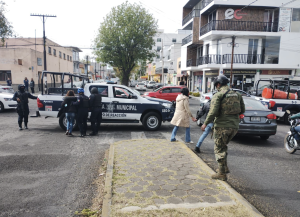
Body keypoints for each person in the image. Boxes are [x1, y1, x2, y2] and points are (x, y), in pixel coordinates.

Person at [201, 75, 245, 181]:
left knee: (218, 149)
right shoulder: (237, 94)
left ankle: (221, 173)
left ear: (218, 84)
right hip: (234, 127)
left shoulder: (218, 95)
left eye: (216, 85)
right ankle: (223, 169)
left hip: (222, 126)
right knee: (223, 147)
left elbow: (213, 111)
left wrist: (205, 123)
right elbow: (242, 110)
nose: (216, 87)